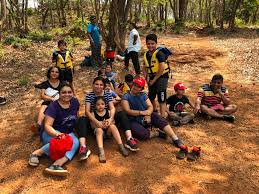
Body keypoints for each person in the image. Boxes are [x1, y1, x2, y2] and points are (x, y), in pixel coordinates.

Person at [122, 77, 189, 159]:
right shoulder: (126, 96)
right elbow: (127, 110)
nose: (136, 87)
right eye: (135, 85)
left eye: (139, 86)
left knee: (159, 118)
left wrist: (148, 114)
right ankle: (157, 133)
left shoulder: (143, 95)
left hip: (146, 116)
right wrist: (142, 113)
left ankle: (175, 138)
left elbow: (150, 106)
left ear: (141, 89)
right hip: (133, 119)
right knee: (143, 135)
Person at [28, 83, 81, 176]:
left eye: (69, 92)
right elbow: (48, 125)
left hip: (68, 132)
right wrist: (57, 135)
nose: (67, 94)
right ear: (59, 94)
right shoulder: (54, 106)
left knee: (76, 142)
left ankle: (56, 164)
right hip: (51, 132)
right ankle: (37, 153)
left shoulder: (75, 102)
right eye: (64, 92)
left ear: (72, 93)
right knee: (64, 140)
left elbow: (76, 116)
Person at [78, 77, 138, 154]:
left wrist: (110, 119)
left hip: (107, 117)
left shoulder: (107, 94)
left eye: (101, 85)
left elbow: (112, 108)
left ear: (103, 86)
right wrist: (97, 122)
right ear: (93, 85)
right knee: (82, 119)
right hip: (94, 119)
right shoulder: (89, 95)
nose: (98, 86)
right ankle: (83, 146)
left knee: (121, 114)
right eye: (96, 84)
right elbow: (87, 111)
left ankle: (129, 138)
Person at [91, 96, 128, 163]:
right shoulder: (93, 113)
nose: (100, 106)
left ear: (105, 105)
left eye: (102, 104)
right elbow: (92, 125)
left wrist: (108, 122)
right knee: (99, 130)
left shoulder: (108, 112)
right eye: (98, 104)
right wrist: (100, 125)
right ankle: (101, 151)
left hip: (108, 133)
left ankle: (121, 146)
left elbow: (113, 121)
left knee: (113, 126)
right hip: (99, 134)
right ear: (95, 105)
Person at [142, 34, 170, 118]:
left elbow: (161, 68)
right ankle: (154, 110)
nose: (150, 45)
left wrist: (154, 80)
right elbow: (144, 67)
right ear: (146, 44)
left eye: (152, 43)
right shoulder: (146, 54)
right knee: (151, 95)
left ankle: (162, 117)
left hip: (162, 76)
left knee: (161, 96)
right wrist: (146, 77)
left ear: (156, 43)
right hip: (151, 76)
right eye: (148, 43)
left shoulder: (159, 54)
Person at [35, 67, 63, 134]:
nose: (54, 73)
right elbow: (42, 95)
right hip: (49, 100)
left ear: (59, 74)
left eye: (57, 72)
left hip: (61, 100)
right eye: (52, 71)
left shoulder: (62, 83)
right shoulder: (45, 84)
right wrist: (51, 99)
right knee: (43, 107)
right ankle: (38, 125)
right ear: (49, 73)